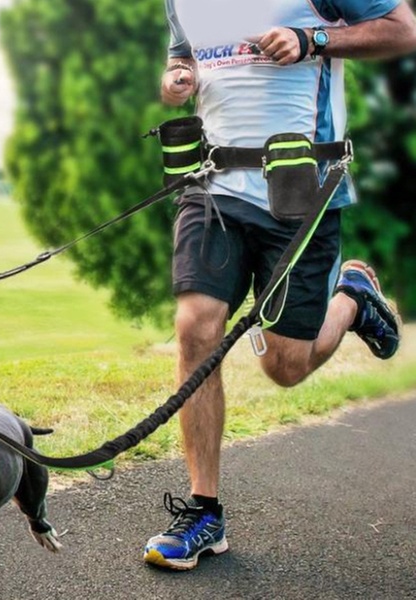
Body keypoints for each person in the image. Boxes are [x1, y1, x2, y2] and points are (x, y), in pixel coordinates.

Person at [143, 0, 416, 571]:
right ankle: (203, 511)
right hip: (211, 184)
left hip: (302, 189)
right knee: (196, 325)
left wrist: (311, 40)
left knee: (286, 366)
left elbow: (403, 30)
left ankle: (351, 300)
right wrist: (176, 81)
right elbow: (182, 63)